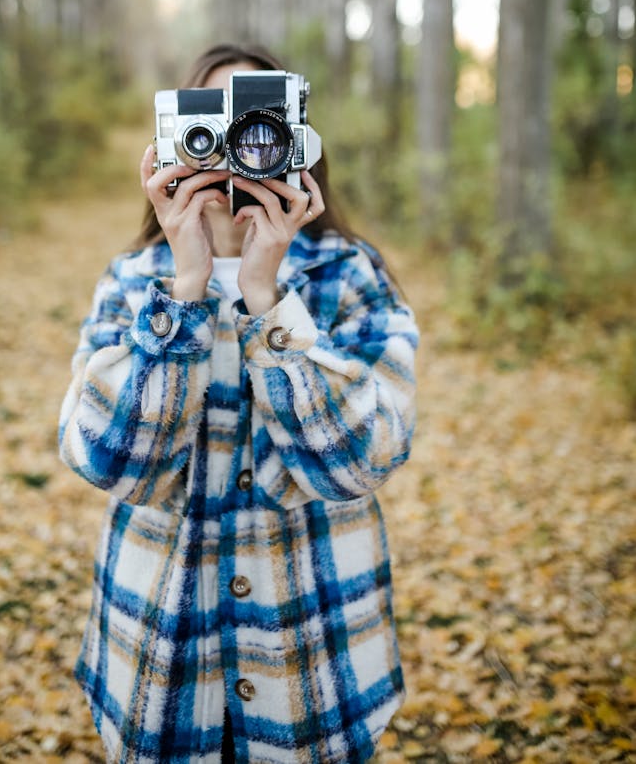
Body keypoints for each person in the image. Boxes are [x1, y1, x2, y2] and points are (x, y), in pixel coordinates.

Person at [58, 43, 418, 764]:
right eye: (211, 122)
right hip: (161, 656)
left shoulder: (349, 274)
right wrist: (186, 287)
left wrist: (267, 296)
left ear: (297, 136)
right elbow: (108, 458)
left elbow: (358, 460)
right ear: (174, 140)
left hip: (312, 663)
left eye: (256, 120)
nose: (233, 150)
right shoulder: (134, 282)